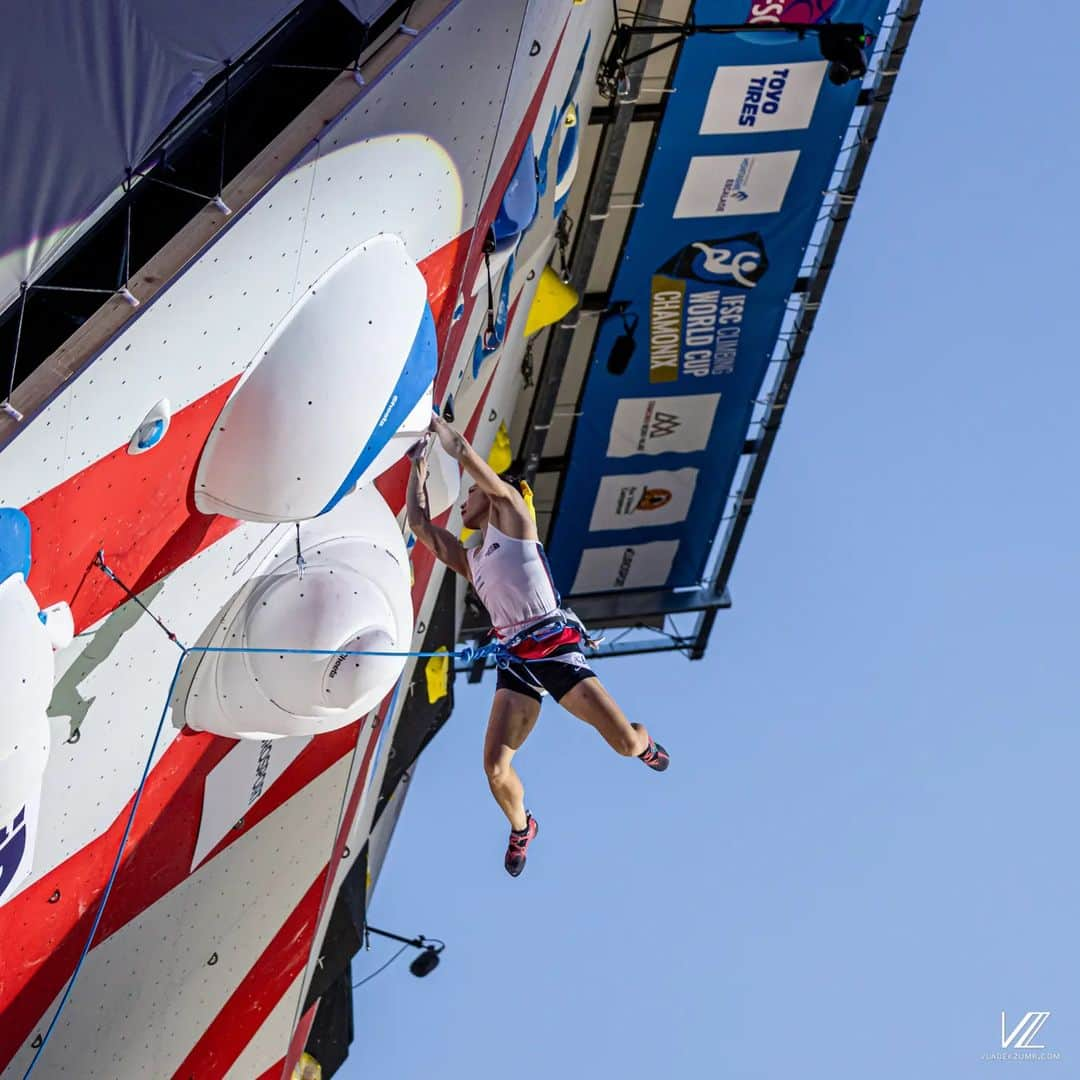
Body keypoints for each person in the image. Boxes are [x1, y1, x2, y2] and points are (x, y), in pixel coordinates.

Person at [407, 414, 668, 878]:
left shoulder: (514, 518)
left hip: (557, 654)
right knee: (494, 769)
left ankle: (645, 741)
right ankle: (523, 825)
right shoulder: (474, 559)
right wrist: (416, 468)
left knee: (626, 746)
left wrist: (429, 423)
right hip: (518, 665)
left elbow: (465, 452)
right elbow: (421, 526)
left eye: (470, 495)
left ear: (490, 498)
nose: (464, 502)